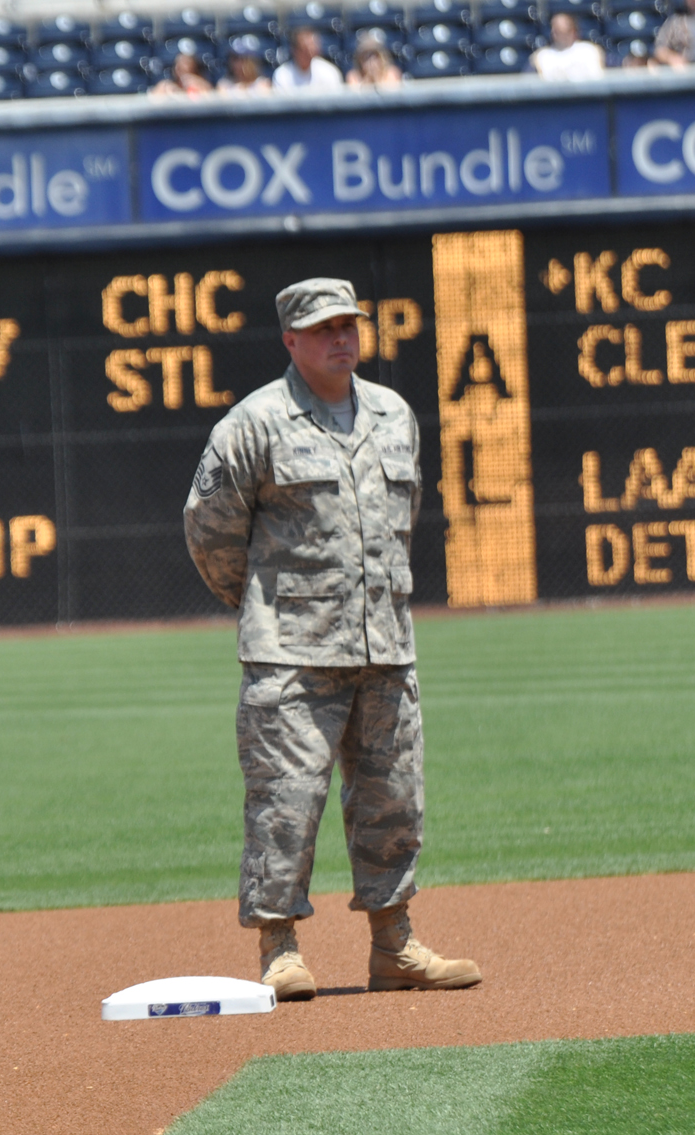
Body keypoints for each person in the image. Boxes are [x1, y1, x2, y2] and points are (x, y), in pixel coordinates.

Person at [183, 279, 483, 1000]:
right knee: (286, 803)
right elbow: (209, 529)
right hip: (292, 652)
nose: (341, 339)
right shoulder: (253, 423)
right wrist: (262, 605)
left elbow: (400, 522)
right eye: (323, 330)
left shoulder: (393, 415)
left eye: (349, 325)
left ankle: (395, 944)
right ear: (291, 340)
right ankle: (280, 949)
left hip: (385, 648)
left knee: (394, 802)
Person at [533, 11, 607, 76]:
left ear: (573, 31)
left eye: (560, 32)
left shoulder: (589, 51)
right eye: (555, 31)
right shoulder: (543, 56)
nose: (554, 34)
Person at [275, 25, 346, 87]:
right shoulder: (282, 75)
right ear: (294, 50)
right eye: (305, 50)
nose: (310, 53)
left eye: (313, 49)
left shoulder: (329, 72)